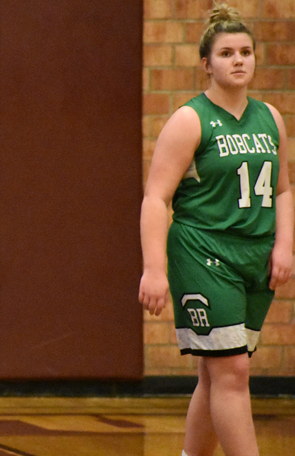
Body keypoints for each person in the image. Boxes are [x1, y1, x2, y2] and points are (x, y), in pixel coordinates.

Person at [138, 4, 293, 456]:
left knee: (214, 374)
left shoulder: (270, 117)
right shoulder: (190, 120)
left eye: (246, 51)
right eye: (227, 53)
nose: (239, 60)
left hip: (255, 256)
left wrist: (285, 245)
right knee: (233, 372)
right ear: (206, 63)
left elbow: (283, 189)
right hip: (204, 253)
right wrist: (154, 269)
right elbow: (155, 198)